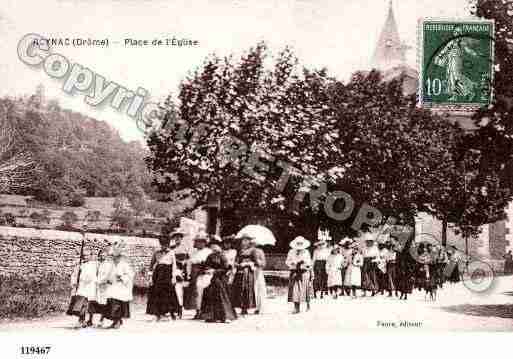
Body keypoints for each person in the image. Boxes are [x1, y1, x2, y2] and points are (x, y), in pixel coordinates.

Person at [200, 236, 237, 323]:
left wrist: (215, 271)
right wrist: (207, 269)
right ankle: (212, 316)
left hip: (221, 279)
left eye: (215, 246)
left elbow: (225, 268)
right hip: (212, 279)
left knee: (221, 296)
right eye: (212, 246)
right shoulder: (209, 256)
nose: (214, 248)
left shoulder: (222, 256)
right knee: (211, 296)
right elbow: (206, 265)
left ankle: (225, 316)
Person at [146, 234, 179, 321]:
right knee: (157, 293)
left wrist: (174, 277)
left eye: (166, 244)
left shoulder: (171, 253)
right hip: (158, 274)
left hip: (168, 275)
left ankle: (171, 312)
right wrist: (150, 277)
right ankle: (158, 313)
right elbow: (151, 265)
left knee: (169, 294)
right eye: (162, 244)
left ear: (168, 244)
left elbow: (174, 266)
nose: (164, 246)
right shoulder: (156, 253)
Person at [104, 241, 134, 329]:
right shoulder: (110, 264)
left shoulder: (124, 264)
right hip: (113, 286)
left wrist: (122, 278)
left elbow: (130, 274)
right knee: (112, 303)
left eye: (116, 257)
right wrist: (107, 279)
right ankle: (115, 320)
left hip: (121, 286)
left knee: (118, 303)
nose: (115, 258)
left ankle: (117, 320)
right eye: (113, 257)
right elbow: (107, 273)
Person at [184, 233, 212, 319]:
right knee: (195, 293)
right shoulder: (193, 252)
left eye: (201, 242)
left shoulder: (208, 252)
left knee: (202, 291)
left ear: (205, 242)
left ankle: (203, 311)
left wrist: (206, 270)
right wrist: (188, 274)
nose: (199, 243)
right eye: (198, 242)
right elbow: (189, 263)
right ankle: (197, 311)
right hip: (194, 274)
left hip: (204, 273)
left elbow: (210, 263)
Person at [69, 248, 98, 328]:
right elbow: (75, 274)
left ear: (91, 256)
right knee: (82, 303)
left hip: (91, 286)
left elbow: (92, 275)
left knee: (90, 304)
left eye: (87, 255)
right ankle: (81, 320)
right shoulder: (80, 265)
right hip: (82, 286)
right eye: (84, 255)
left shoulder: (94, 264)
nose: (85, 257)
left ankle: (90, 320)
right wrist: (74, 282)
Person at [231, 234, 257, 315]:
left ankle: (245, 307)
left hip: (247, 271)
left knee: (246, 288)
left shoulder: (253, 250)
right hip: (240, 271)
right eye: (243, 240)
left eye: (246, 240)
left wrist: (248, 264)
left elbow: (256, 262)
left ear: (249, 242)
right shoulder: (239, 250)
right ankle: (237, 306)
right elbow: (236, 260)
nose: (244, 242)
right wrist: (237, 264)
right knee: (238, 288)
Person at [286, 236, 313, 314]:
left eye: (301, 244)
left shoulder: (306, 252)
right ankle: (296, 307)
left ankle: (308, 304)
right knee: (295, 289)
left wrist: (304, 263)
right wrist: (292, 263)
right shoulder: (291, 252)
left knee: (305, 289)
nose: (299, 246)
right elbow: (287, 261)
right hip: (294, 272)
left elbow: (309, 262)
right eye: (298, 244)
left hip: (303, 272)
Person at [87, 248, 112, 327]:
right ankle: (90, 320)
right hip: (94, 286)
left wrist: (99, 281)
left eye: (104, 255)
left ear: (107, 256)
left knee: (103, 304)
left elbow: (106, 276)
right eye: (100, 255)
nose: (102, 257)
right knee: (92, 302)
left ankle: (101, 320)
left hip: (103, 287)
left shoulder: (108, 265)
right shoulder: (96, 264)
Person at [170, 231, 186, 319]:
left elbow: (186, 261)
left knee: (179, 290)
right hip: (172, 270)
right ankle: (172, 309)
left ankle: (180, 309)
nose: (177, 239)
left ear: (181, 238)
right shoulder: (171, 248)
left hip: (179, 271)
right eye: (175, 237)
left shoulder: (184, 248)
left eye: (179, 237)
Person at [251, 237, 267, 315]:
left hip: (258, 271)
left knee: (259, 289)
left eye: (254, 244)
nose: (253, 245)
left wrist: (258, 261)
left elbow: (263, 264)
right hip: (251, 272)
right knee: (254, 289)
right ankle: (255, 307)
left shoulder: (260, 251)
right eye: (252, 244)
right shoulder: (249, 252)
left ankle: (260, 307)